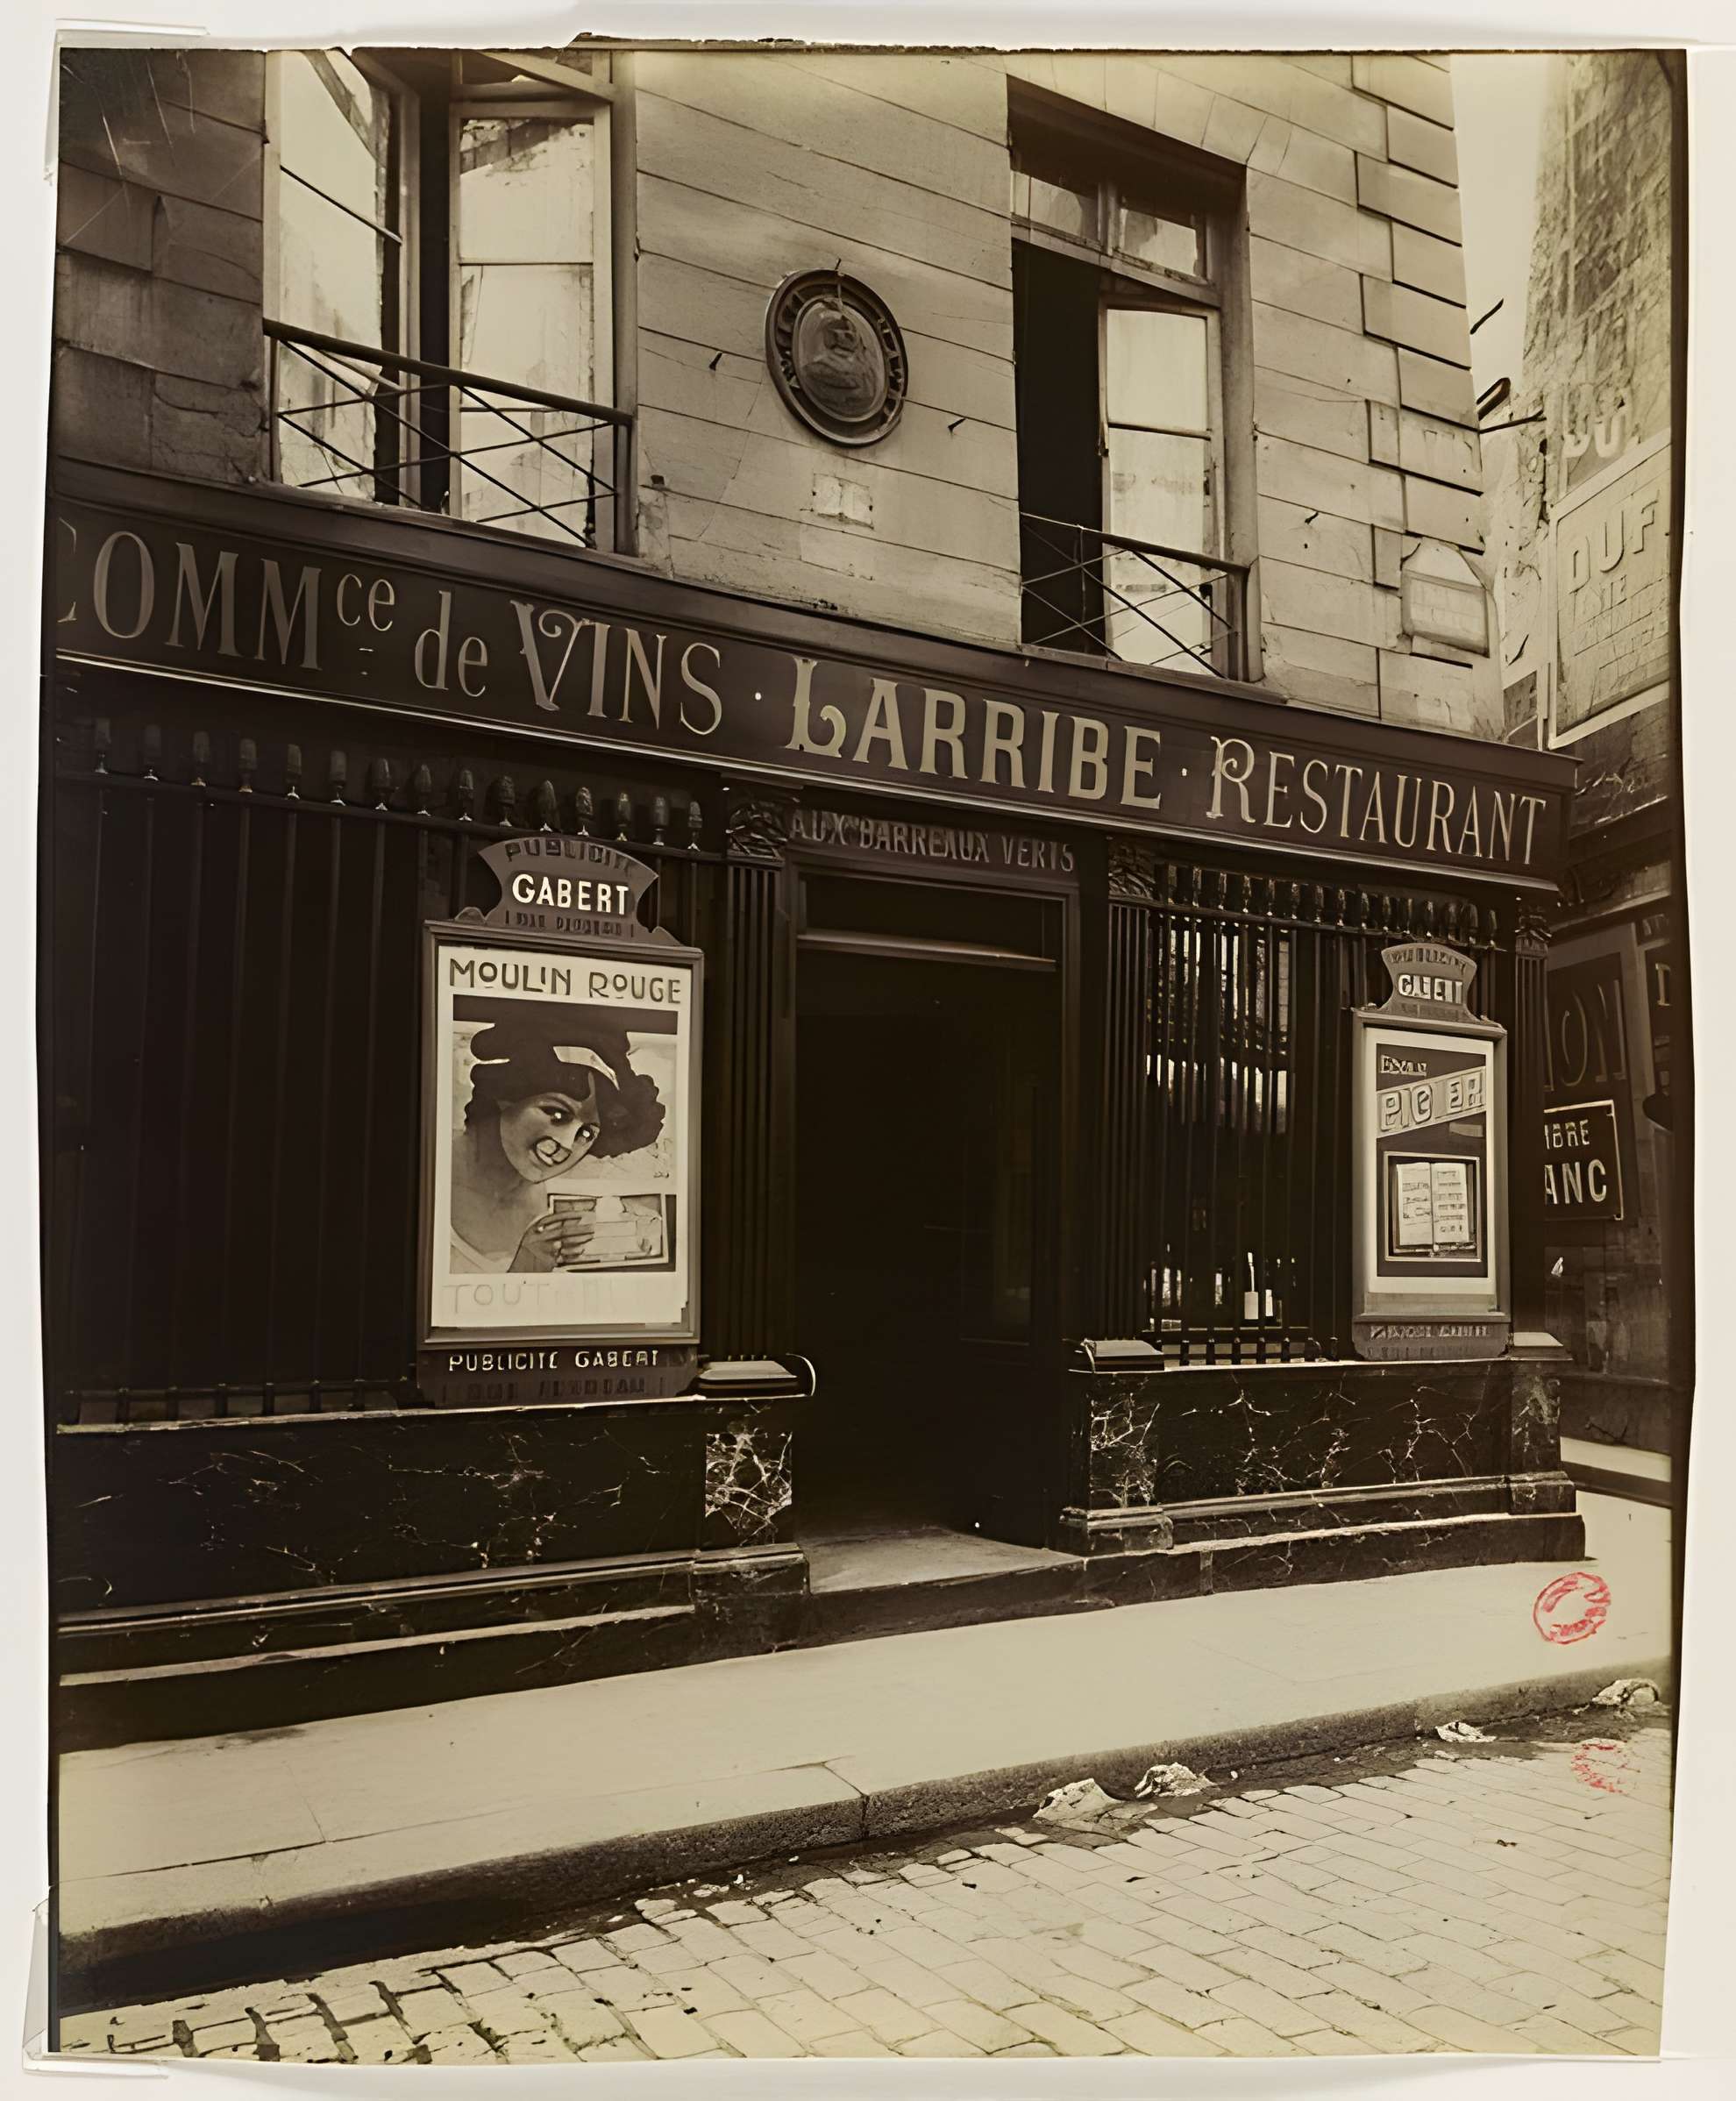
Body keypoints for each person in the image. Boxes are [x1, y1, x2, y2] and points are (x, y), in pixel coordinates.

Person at [448, 1009, 664, 1274]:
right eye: (556, 1114)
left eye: (587, 1134)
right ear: (506, 1095)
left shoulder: (565, 1205)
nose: (567, 1145)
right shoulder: (428, 1166)